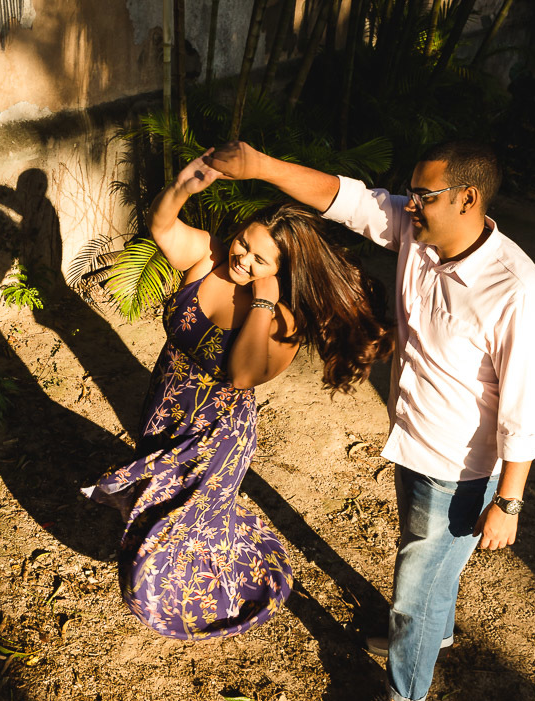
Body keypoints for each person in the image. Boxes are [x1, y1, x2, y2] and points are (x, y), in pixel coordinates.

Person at [205, 140, 535, 701]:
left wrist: (509, 501)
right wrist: (263, 166)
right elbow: (346, 199)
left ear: (468, 198)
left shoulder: (520, 295)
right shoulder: (420, 236)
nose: (410, 204)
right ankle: (429, 630)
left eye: (424, 195)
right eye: (411, 193)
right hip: (414, 441)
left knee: (416, 581)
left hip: (463, 470)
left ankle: (405, 692)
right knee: (426, 565)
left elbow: (527, 412)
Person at [83, 151, 392, 640]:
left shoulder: (284, 320)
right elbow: (162, 227)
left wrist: (264, 302)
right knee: (158, 501)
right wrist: (183, 187)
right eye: (244, 243)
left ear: (280, 270)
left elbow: (243, 374)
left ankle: (177, 600)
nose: (242, 258)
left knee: (178, 521)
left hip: (218, 434)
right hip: (164, 407)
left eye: (258, 259)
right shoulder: (206, 258)